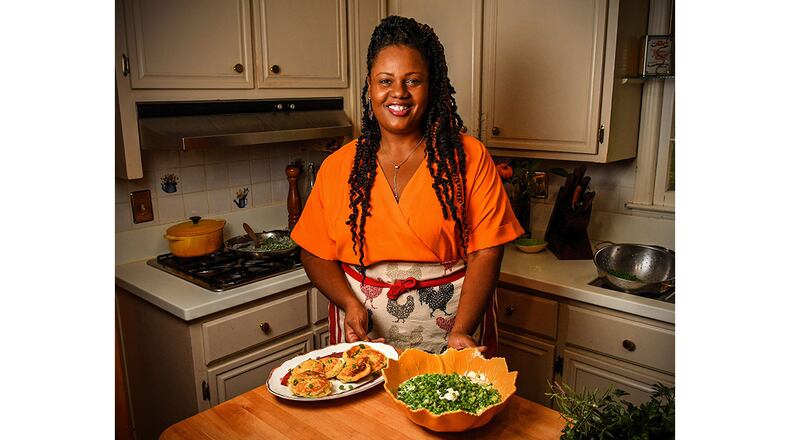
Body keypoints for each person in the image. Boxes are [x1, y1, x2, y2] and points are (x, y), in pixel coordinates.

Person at [290, 16, 523, 355]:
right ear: (370, 87)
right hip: (366, 338)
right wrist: (349, 305)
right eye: (386, 80)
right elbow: (313, 252)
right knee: (365, 410)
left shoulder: (468, 157)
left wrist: (461, 331)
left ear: (433, 87)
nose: (398, 92)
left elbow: (486, 250)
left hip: (452, 333)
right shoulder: (338, 166)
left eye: (413, 81)